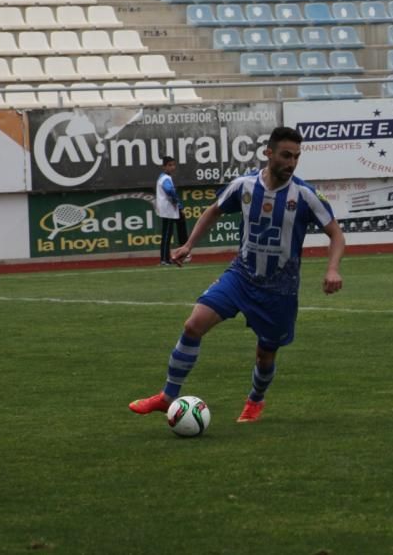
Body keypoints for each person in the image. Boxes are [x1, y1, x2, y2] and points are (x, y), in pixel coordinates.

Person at [130, 127, 345, 423]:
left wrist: (332, 268)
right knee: (193, 325)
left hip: (279, 290)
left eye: (296, 157)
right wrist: (189, 244)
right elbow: (213, 210)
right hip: (241, 276)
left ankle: (255, 400)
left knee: (265, 355)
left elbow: (336, 234)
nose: (291, 162)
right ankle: (168, 395)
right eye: (285, 155)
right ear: (268, 153)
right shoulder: (244, 186)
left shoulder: (306, 195)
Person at [155, 156, 188, 267]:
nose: (172, 167)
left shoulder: (163, 177)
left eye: (173, 165)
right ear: (164, 166)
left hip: (166, 209)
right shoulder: (165, 178)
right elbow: (169, 190)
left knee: (168, 234)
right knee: (167, 234)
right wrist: (177, 202)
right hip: (168, 209)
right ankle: (164, 259)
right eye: (169, 165)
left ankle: (167, 258)